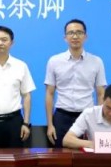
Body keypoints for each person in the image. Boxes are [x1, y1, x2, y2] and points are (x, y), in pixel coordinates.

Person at [44, 19, 107, 148]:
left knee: (88, 155)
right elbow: (49, 94)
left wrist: (100, 123)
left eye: (79, 32)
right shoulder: (54, 61)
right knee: (60, 155)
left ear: (85, 36)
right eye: (71, 33)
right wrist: (50, 124)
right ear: (65, 37)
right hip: (62, 116)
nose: (75, 36)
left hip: (87, 116)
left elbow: (101, 94)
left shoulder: (96, 61)